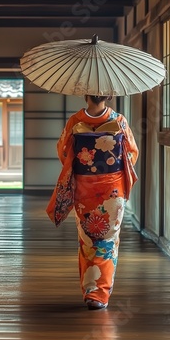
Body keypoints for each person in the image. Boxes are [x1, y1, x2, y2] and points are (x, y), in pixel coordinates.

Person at [46, 95, 138, 310]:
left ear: (85, 95)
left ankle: (90, 291)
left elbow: (64, 151)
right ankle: (101, 294)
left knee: (87, 238)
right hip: (112, 188)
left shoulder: (74, 121)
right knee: (108, 239)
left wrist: (85, 162)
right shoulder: (120, 120)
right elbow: (131, 154)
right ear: (109, 95)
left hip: (84, 185)